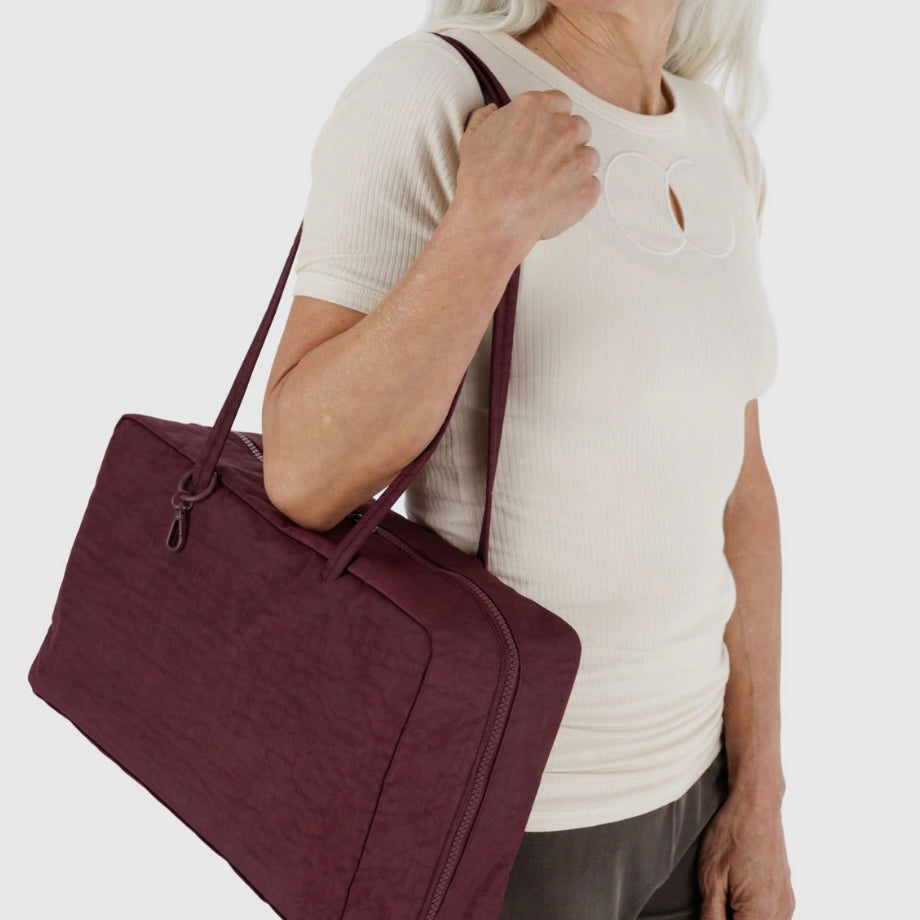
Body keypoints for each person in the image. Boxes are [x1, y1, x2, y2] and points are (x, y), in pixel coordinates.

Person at [261, 1, 795, 918]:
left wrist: (760, 791)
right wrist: (487, 227)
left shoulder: (721, 139)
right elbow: (304, 473)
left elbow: (738, 491)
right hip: (509, 812)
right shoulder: (437, 91)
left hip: (696, 795)